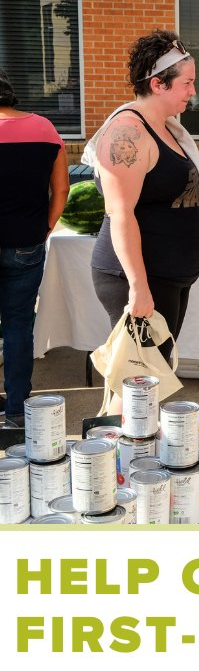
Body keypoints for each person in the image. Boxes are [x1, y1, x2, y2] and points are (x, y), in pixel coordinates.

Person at [83, 30, 199, 408]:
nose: (192, 91)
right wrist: (138, 288)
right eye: (186, 83)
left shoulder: (166, 128)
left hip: (169, 276)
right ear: (158, 84)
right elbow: (119, 213)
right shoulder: (128, 132)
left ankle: (140, 457)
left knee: (155, 379)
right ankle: (126, 460)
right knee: (137, 390)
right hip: (136, 277)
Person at [0, 69, 69, 427]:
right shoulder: (45, 129)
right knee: (17, 326)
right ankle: (15, 410)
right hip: (26, 243)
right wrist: (45, 227)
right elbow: (61, 190)